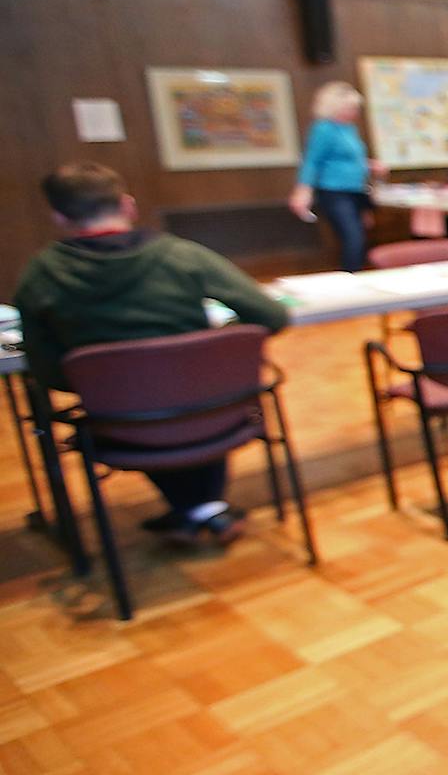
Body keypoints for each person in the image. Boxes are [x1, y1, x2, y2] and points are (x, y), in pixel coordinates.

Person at [13, 163, 291, 545]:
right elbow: (271, 315)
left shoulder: (41, 275)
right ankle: (204, 509)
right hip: (217, 412)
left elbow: (48, 371)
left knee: (148, 400)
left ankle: (196, 510)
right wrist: (217, 347)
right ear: (128, 206)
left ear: (59, 217)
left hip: (121, 424)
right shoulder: (181, 256)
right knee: (183, 389)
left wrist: (99, 379)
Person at [289, 81, 382, 271]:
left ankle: (356, 276)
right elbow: (312, 161)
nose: (355, 113)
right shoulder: (323, 129)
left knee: (361, 238)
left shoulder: (349, 129)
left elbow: (349, 159)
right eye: (350, 108)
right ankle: (350, 280)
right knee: (353, 238)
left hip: (356, 190)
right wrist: (303, 190)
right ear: (335, 107)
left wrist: (369, 165)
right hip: (334, 192)